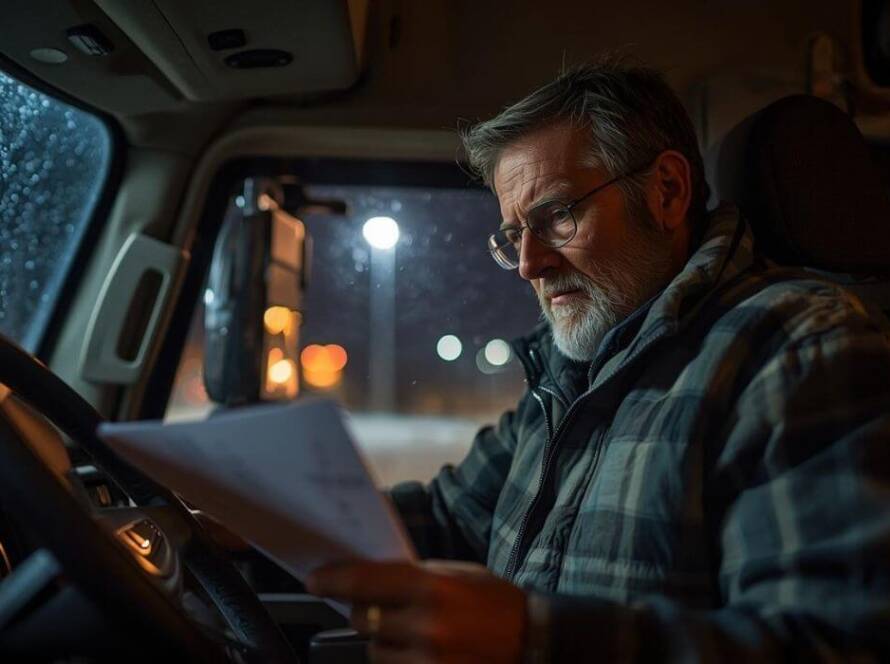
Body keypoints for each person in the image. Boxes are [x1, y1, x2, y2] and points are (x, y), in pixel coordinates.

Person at [307, 58, 890, 662]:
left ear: (666, 192)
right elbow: (447, 520)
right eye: (513, 236)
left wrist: (530, 638)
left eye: (556, 216)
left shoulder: (797, 349)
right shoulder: (568, 375)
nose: (530, 264)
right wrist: (262, 523)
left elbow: (835, 644)